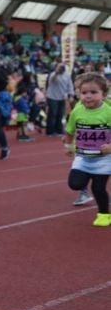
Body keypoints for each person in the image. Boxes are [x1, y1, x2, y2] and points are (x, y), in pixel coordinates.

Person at [63, 73, 111, 226]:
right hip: (83, 156)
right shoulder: (77, 111)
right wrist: (68, 146)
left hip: (104, 158)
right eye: (84, 93)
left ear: (103, 94)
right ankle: (87, 181)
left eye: (93, 92)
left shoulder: (108, 112)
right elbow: (70, 131)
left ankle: (104, 215)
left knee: (98, 187)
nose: (88, 96)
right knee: (75, 183)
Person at [45, 63, 75, 137]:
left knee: (60, 114)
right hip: (52, 97)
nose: (61, 68)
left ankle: (59, 130)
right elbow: (52, 81)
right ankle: (50, 131)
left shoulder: (67, 75)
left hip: (62, 97)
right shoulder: (52, 74)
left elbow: (70, 85)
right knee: (53, 114)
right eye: (59, 67)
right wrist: (56, 72)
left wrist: (71, 95)